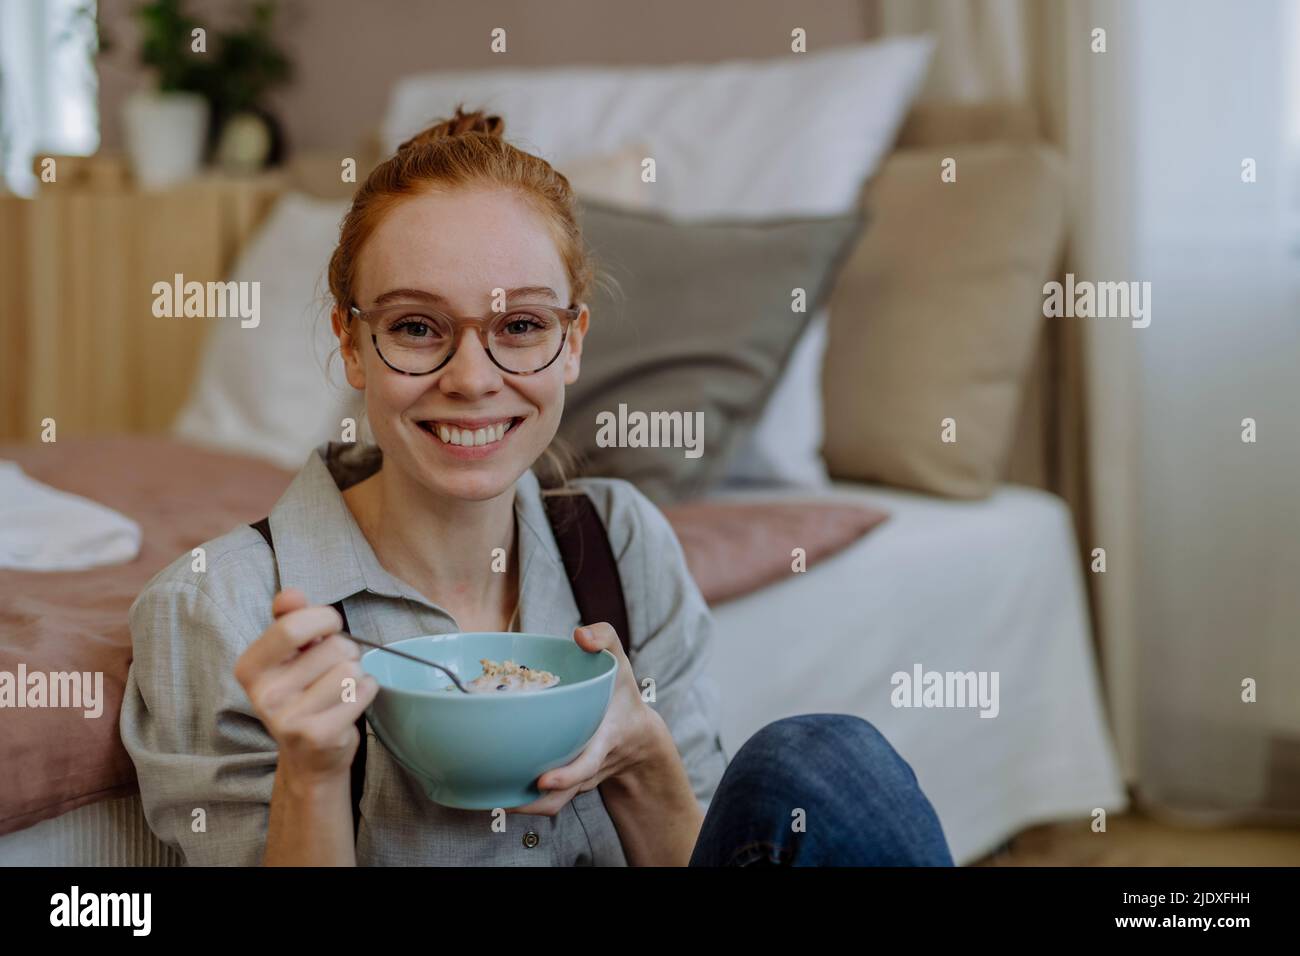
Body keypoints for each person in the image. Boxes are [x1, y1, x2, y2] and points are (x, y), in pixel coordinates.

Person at [120, 105, 954, 867]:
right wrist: (312, 774)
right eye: (417, 328)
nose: (473, 380)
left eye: (521, 327)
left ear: (574, 340)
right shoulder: (214, 607)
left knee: (821, 762)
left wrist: (641, 760)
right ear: (352, 342)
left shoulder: (621, 541)